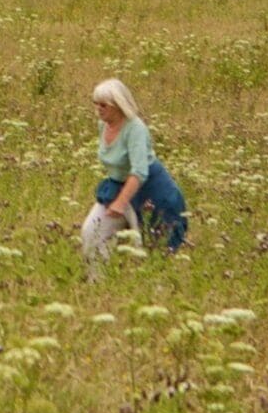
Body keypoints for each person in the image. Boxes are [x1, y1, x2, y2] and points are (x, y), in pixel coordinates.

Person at [79, 78, 188, 278]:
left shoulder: (135, 128)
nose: (98, 109)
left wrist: (120, 203)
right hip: (117, 187)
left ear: (118, 105)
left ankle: (153, 290)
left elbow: (139, 171)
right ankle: (97, 283)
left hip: (151, 193)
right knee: (91, 231)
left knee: (151, 250)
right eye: (96, 104)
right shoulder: (103, 126)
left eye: (103, 105)